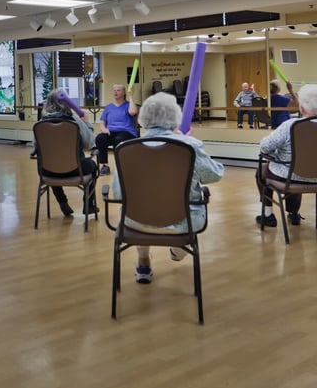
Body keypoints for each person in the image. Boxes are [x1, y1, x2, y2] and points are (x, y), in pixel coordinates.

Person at [111, 93, 224, 281]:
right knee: (186, 215)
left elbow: (117, 193)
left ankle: (143, 262)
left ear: (143, 119)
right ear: (175, 117)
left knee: (142, 205)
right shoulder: (189, 146)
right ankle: (178, 250)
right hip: (184, 221)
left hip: (135, 220)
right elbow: (214, 175)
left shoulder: (126, 148)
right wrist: (186, 142)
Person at [256, 84, 317, 228]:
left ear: (301, 107)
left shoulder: (290, 125)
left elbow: (265, 145)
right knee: (299, 166)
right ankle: (293, 213)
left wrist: (272, 156)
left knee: (262, 171)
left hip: (291, 175)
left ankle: (268, 215)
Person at [39, 87, 98, 217]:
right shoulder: (75, 121)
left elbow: (35, 147)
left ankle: (62, 201)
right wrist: (87, 123)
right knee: (93, 166)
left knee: (51, 163)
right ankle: (88, 204)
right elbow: (89, 144)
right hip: (76, 169)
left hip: (47, 171)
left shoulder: (41, 123)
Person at [95, 84, 138, 175]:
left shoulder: (128, 105)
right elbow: (102, 123)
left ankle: (121, 166)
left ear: (124, 92)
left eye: (118, 90)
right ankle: (105, 166)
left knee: (118, 139)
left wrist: (130, 96)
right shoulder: (108, 107)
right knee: (100, 138)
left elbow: (133, 112)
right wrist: (104, 129)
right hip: (111, 132)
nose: (115, 92)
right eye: (114, 90)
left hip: (126, 132)